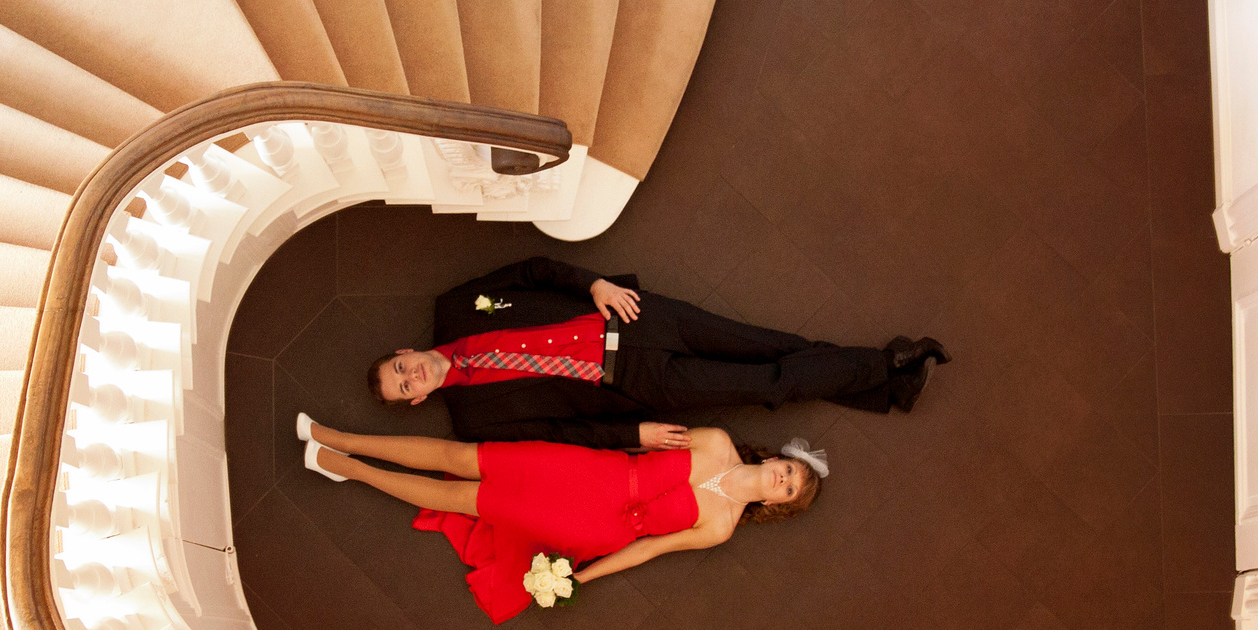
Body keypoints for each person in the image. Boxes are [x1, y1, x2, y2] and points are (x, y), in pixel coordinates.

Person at [367, 256, 948, 450]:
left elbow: (532, 271)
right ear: (418, 401)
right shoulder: (474, 421)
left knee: (771, 345)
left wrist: (593, 283)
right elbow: (560, 435)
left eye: (400, 368)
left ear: (404, 350)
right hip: (634, 384)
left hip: (633, 315)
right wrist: (634, 436)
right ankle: (887, 366)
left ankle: (884, 385)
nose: (412, 376)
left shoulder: (454, 307)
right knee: (768, 384)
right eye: (406, 388)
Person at [297, 411, 827, 622]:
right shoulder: (716, 440)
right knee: (465, 458)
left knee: (466, 501)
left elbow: (649, 549)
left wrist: (587, 575)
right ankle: (338, 437)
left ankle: (349, 468)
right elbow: (640, 438)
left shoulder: (720, 528)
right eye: (787, 469)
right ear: (775, 458)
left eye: (789, 488)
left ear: (777, 504)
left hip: (592, 526)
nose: (781, 479)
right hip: (587, 469)